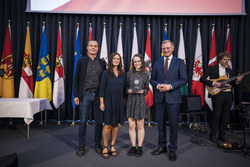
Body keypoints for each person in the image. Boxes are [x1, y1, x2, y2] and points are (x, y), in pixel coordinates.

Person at [150, 40, 188, 161]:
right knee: (160, 124)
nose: (165, 50)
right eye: (163, 48)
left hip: (173, 99)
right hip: (160, 98)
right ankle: (162, 146)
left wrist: (170, 86)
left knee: (173, 125)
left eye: (167, 48)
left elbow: (184, 79)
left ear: (172, 48)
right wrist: (157, 86)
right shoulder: (157, 62)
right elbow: (152, 79)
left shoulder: (179, 62)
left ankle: (172, 149)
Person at [200, 51, 243, 143]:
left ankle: (221, 135)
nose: (227, 61)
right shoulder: (212, 68)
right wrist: (214, 83)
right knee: (216, 115)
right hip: (217, 94)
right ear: (219, 60)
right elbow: (202, 79)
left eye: (228, 60)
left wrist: (237, 81)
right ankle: (212, 135)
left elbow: (232, 84)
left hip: (228, 95)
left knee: (225, 116)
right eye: (225, 59)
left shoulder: (230, 71)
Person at [73, 40, 106, 156]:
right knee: (82, 121)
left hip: (98, 96)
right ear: (87, 48)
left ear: (98, 48)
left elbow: (104, 80)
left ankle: (97, 143)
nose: (93, 48)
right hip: (85, 95)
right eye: (91, 46)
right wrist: (76, 95)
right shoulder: (81, 61)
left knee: (99, 121)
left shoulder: (102, 62)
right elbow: (76, 78)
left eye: (95, 46)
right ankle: (81, 145)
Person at [99, 53, 126, 158]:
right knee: (108, 124)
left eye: (118, 59)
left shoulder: (123, 74)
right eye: (114, 58)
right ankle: (105, 146)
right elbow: (101, 89)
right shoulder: (105, 73)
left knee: (115, 124)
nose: (116, 60)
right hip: (108, 102)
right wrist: (102, 103)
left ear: (120, 61)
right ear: (111, 60)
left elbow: (124, 89)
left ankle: (112, 145)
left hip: (119, 102)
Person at [126, 54, 149, 157]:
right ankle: (133, 146)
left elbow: (147, 89)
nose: (137, 63)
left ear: (142, 62)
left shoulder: (145, 74)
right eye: (135, 61)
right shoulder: (129, 74)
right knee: (131, 126)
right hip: (131, 100)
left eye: (138, 61)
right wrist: (128, 90)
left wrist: (143, 91)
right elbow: (125, 87)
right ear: (132, 63)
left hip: (140, 100)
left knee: (140, 125)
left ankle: (139, 147)